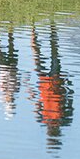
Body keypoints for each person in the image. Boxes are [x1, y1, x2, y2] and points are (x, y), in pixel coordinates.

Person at [30, 23, 74, 151]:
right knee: (44, 56)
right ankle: (42, 31)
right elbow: (69, 99)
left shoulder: (56, 120)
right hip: (49, 82)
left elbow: (70, 99)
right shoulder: (58, 120)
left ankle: (42, 31)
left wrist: (69, 85)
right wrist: (68, 85)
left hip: (50, 82)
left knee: (50, 55)